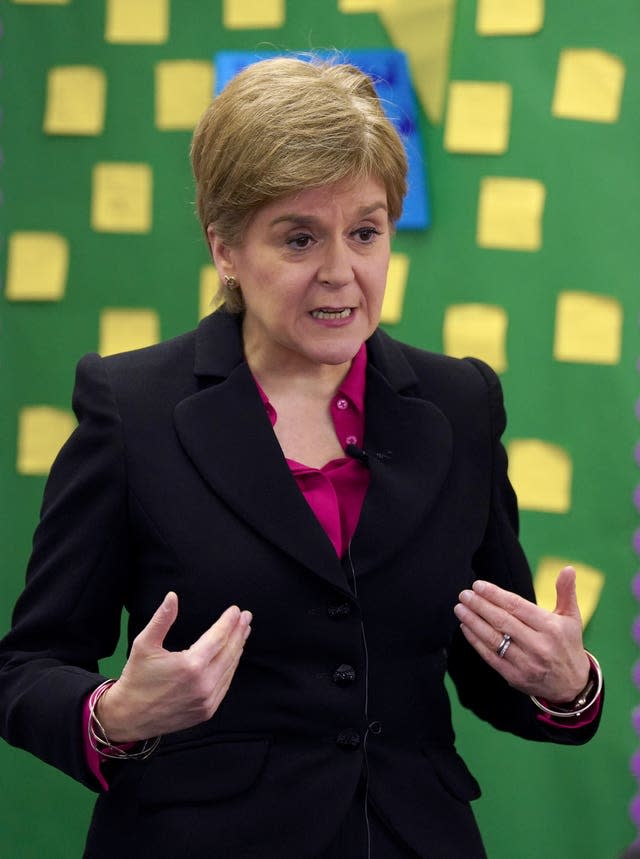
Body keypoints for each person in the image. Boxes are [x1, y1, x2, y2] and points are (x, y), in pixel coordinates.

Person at [0, 57, 602, 859]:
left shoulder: (460, 403)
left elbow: (494, 662)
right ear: (225, 249)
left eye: (365, 231)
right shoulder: (130, 406)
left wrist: (567, 685)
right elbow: (29, 666)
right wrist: (111, 713)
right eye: (298, 237)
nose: (340, 273)